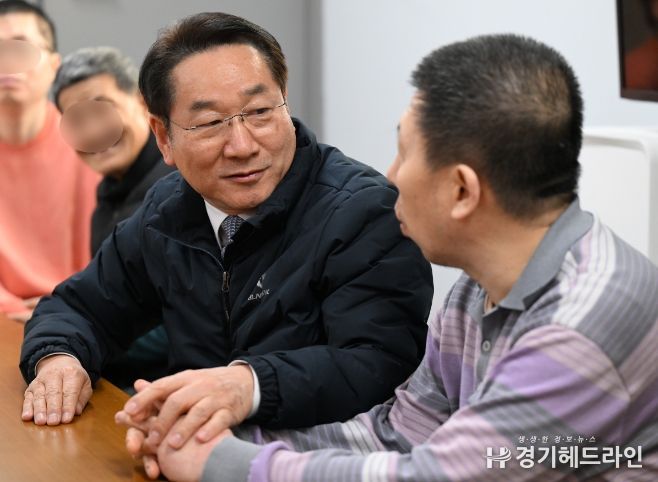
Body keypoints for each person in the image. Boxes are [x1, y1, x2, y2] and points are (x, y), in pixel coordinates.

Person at [143, 34, 658, 481]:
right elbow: (397, 435)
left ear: (462, 190)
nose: (390, 177)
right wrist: (209, 438)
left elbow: (435, 475)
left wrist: (226, 465)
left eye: (405, 153)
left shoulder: (582, 324)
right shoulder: (477, 290)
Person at [19, 10, 433, 457]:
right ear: (163, 137)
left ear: (285, 102)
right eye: (210, 123)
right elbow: (80, 306)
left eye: (260, 112)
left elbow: (378, 362)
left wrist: (246, 385)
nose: (242, 145)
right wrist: (59, 360)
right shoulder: (168, 210)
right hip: (192, 453)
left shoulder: (362, 210)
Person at [51, 46, 175, 389]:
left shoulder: (178, 186)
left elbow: (183, 324)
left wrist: (78, 334)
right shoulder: (110, 194)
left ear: (141, 102)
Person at [0, 0, 98, 322]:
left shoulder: (91, 145)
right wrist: (13, 311)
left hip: (82, 317)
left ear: (54, 65)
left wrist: (63, 309)